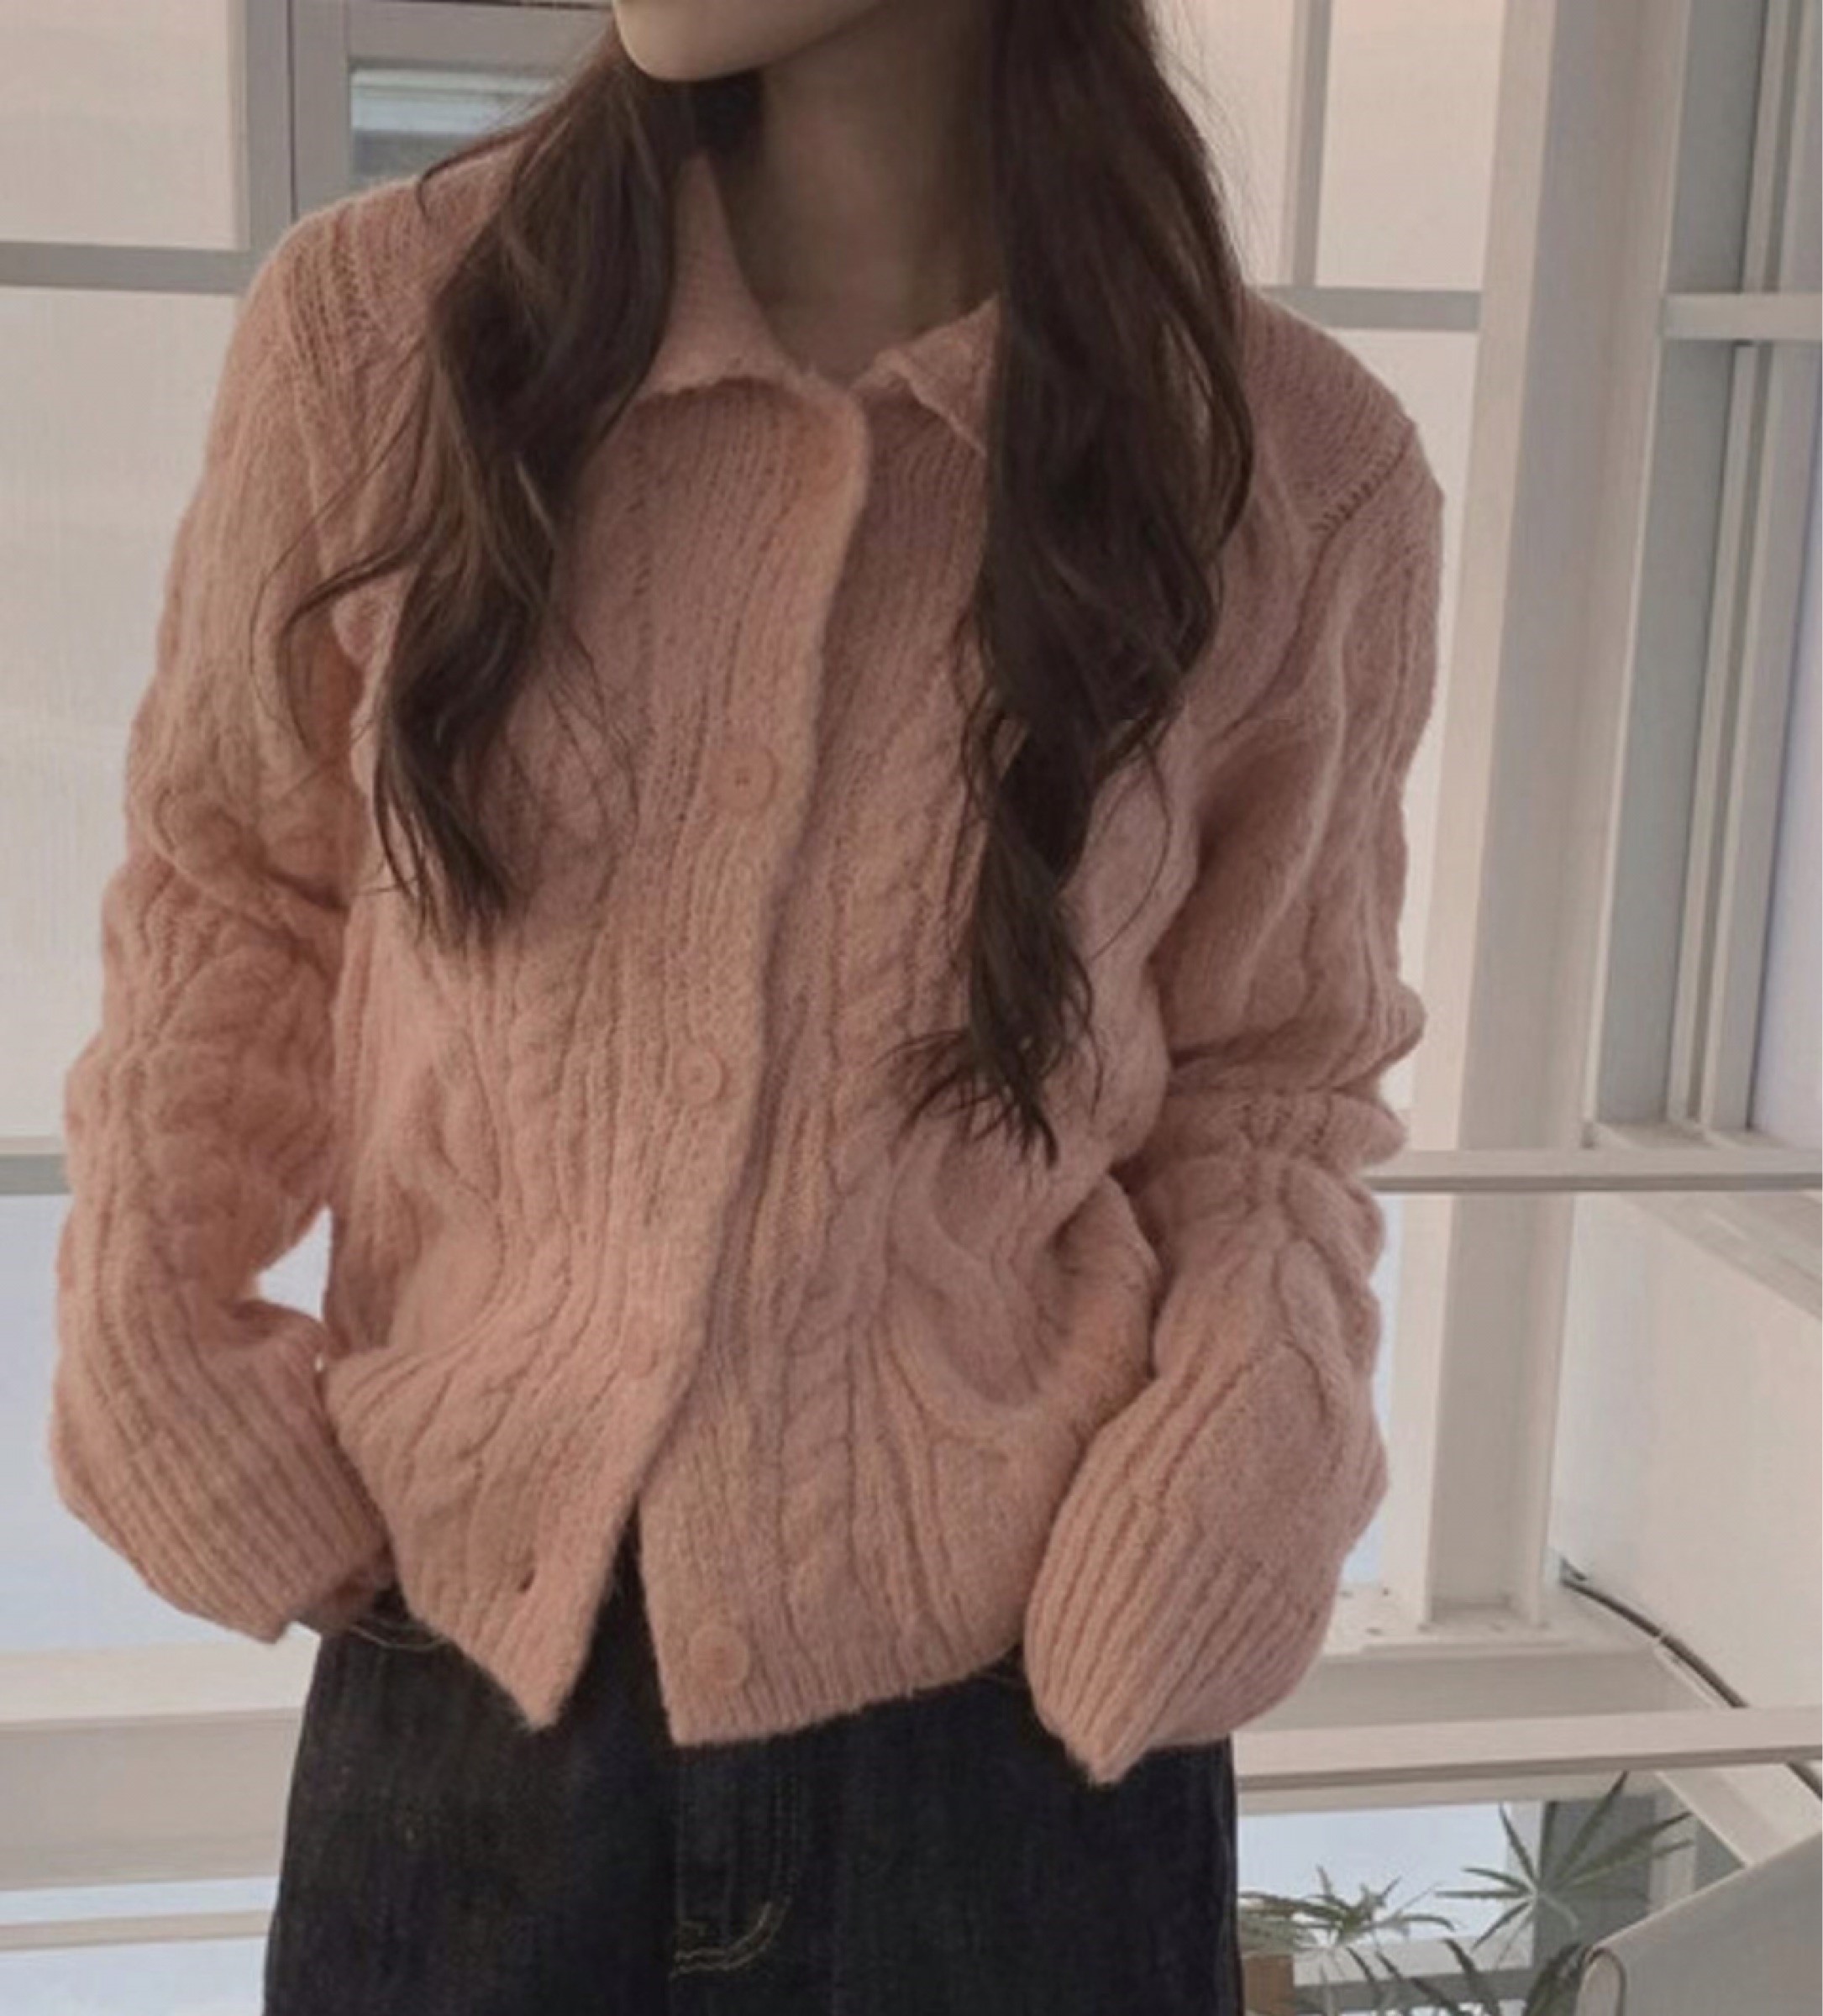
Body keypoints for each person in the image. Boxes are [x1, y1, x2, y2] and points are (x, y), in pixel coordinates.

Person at [47, 2, 1444, 2010]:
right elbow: (235, 889)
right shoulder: (386, 331)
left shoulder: (1289, 467)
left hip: (1010, 1728)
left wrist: (1243, 1450)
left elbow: (1271, 1074)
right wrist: (153, 1342)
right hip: (470, 1698)